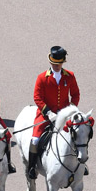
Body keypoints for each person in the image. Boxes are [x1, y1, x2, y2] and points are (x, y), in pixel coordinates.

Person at [28, 46, 80, 180]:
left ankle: (80, 163)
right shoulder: (42, 78)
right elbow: (37, 97)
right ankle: (32, 167)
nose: (57, 66)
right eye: (55, 64)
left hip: (65, 114)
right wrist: (49, 112)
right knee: (35, 139)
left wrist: (70, 110)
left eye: (60, 64)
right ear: (50, 62)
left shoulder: (70, 76)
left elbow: (75, 94)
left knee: (78, 132)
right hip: (46, 115)